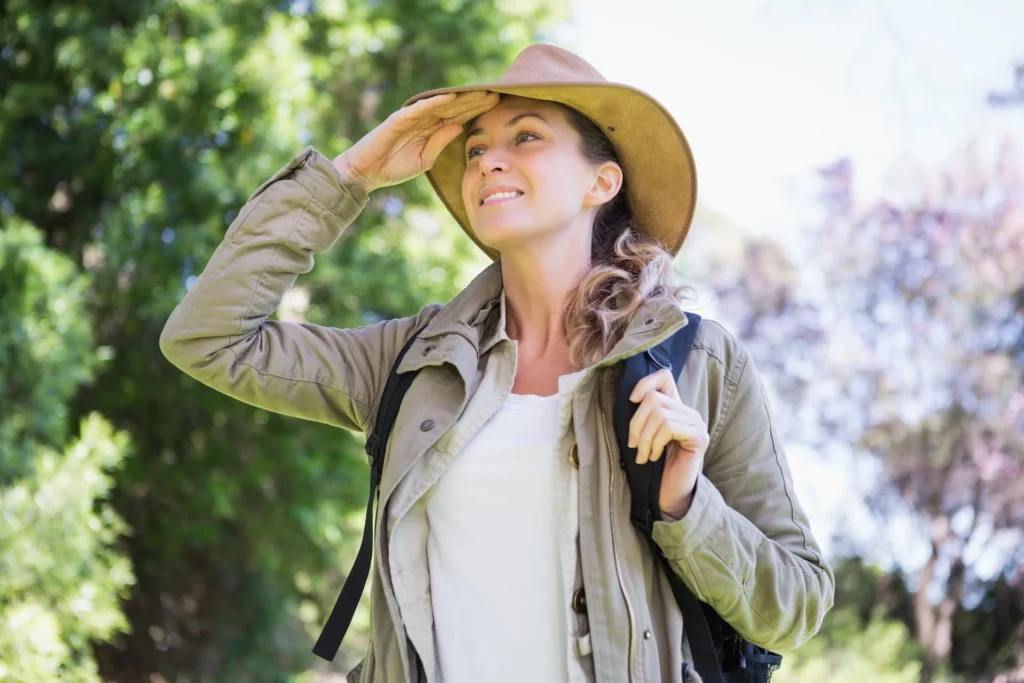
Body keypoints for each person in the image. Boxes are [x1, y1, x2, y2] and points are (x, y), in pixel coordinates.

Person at [160, 44, 834, 683]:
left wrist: (687, 506)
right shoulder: (411, 361)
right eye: (476, 147)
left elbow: (798, 605)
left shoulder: (699, 361)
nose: (487, 161)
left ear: (602, 179)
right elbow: (208, 337)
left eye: (527, 137)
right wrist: (349, 176)